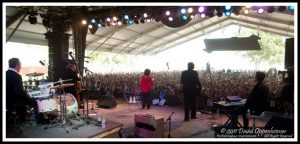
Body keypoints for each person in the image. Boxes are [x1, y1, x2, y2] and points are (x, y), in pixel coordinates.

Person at [6, 58, 41, 125]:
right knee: (36, 101)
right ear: (17, 65)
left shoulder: (5, 74)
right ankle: (39, 122)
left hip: (6, 101)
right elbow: (19, 92)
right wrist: (28, 95)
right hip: (15, 101)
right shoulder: (16, 76)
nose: (21, 67)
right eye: (20, 65)